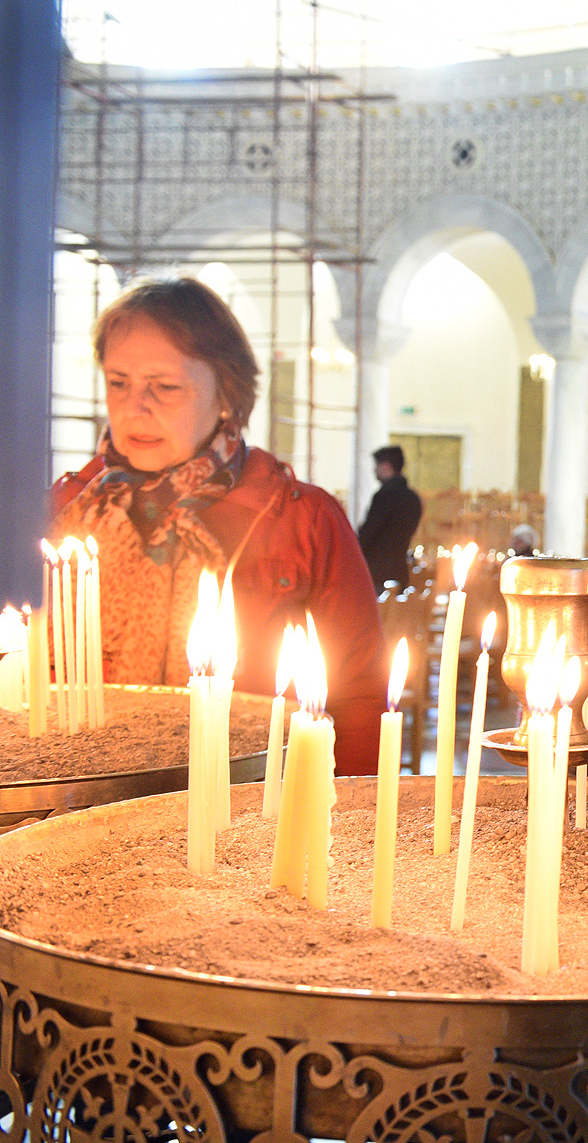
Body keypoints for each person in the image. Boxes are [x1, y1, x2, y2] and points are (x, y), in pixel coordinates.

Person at [49, 278, 385, 775]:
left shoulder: (300, 518)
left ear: (226, 394)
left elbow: (358, 700)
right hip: (75, 802)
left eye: (164, 387)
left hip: (253, 812)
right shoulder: (67, 511)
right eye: (118, 382)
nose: (134, 406)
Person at [356, 444, 423, 589]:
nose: (374, 470)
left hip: (377, 573)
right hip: (400, 570)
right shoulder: (413, 498)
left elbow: (368, 534)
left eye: (376, 465)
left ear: (386, 466)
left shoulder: (384, 496)